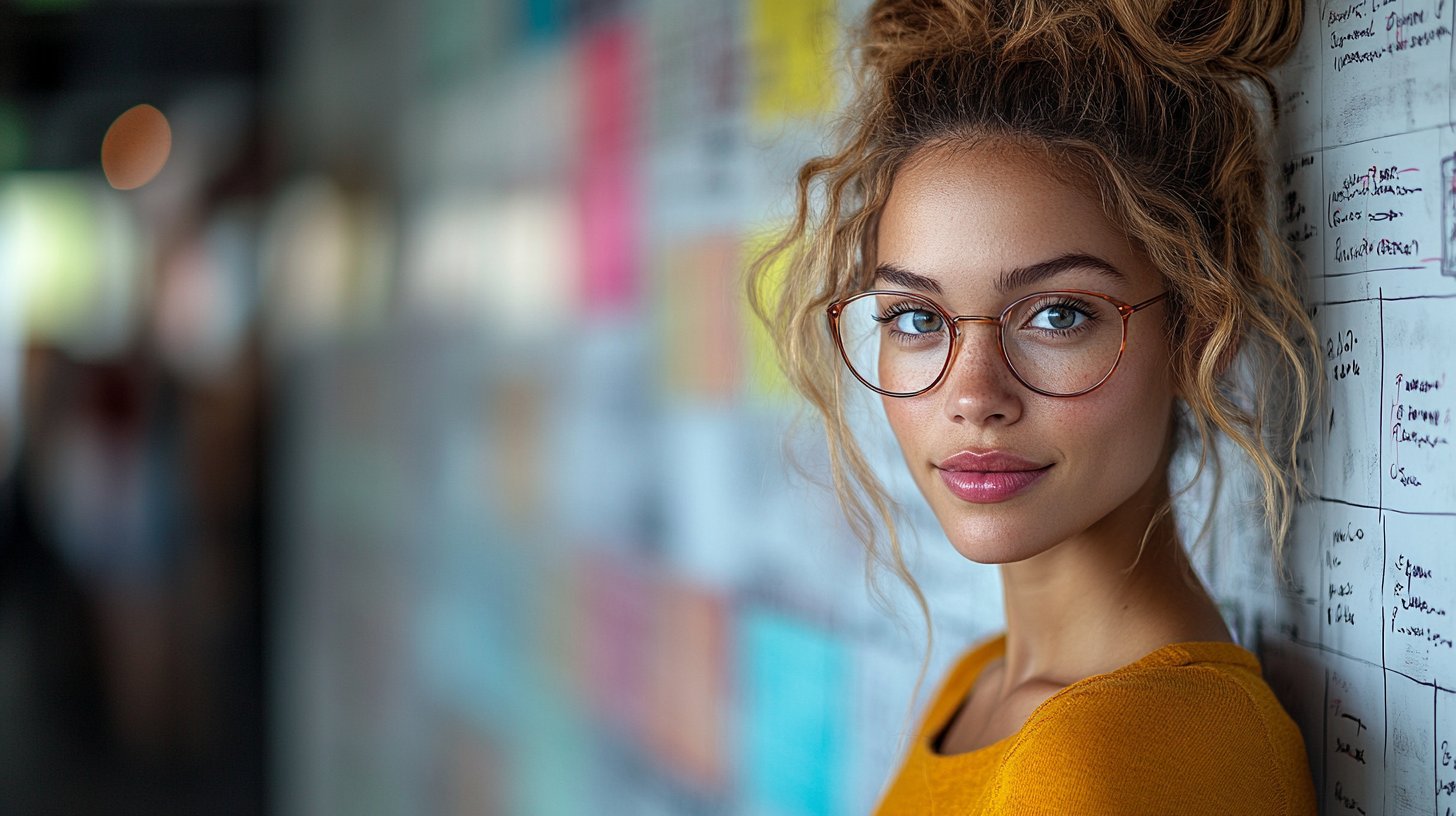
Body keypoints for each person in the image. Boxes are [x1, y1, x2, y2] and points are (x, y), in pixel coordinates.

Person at [745, 0, 1321, 813]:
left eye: (1058, 314)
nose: (973, 396)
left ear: (1195, 333)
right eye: (917, 319)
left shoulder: (1107, 758)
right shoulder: (975, 689)